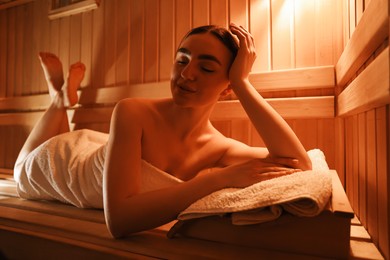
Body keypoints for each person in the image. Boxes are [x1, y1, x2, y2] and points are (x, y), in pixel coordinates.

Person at [14, 23, 312, 238]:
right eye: (182, 60)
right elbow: (118, 221)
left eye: (206, 69)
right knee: (19, 170)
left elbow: (298, 163)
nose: (186, 73)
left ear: (227, 88)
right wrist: (222, 178)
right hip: (57, 165)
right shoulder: (133, 111)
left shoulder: (220, 147)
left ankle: (63, 97)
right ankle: (59, 97)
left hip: (93, 153)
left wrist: (244, 84)